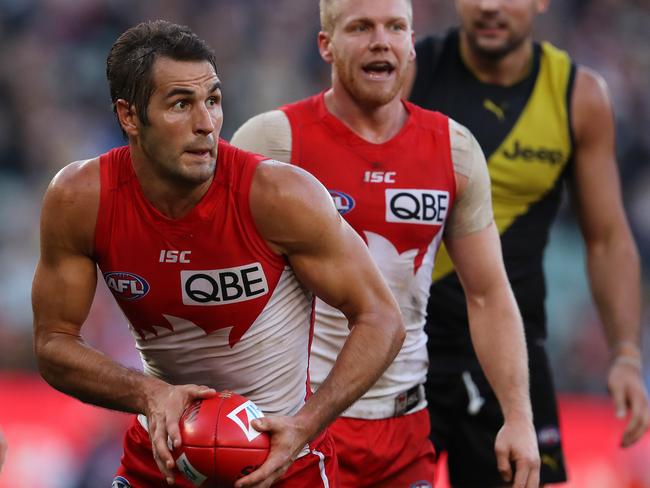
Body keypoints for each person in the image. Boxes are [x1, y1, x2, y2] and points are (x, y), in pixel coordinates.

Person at [32, 20, 406, 488]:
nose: (206, 123)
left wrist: (306, 424)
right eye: (180, 105)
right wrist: (150, 393)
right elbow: (53, 344)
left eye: (212, 100)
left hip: (283, 458)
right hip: (161, 458)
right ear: (128, 116)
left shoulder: (279, 196)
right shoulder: (80, 199)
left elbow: (382, 318)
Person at [231, 0, 540, 487]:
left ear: (411, 44)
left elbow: (488, 294)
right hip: (296, 425)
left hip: (404, 432)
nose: (381, 40)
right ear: (325, 45)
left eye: (396, 27)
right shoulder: (273, 142)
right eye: (361, 27)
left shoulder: (453, 150)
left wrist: (519, 417)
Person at [405, 0, 650, 486]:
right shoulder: (410, 72)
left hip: (512, 360)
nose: (491, 6)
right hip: (408, 353)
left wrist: (625, 352)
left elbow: (606, 237)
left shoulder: (577, 95)